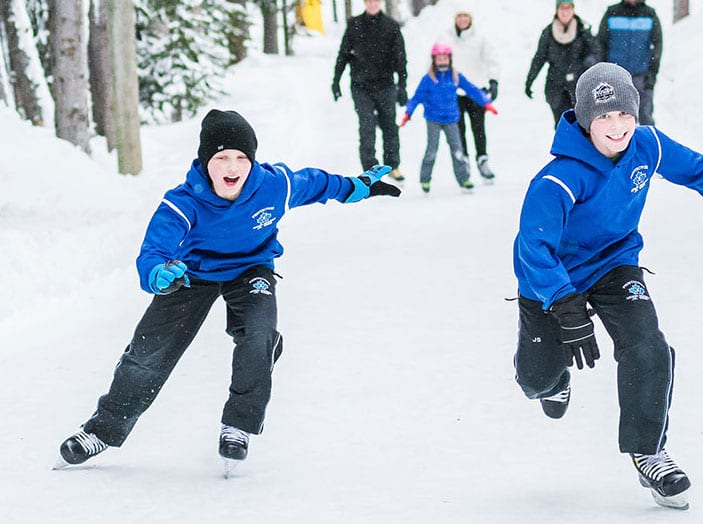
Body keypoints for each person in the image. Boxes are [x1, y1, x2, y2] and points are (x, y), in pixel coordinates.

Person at [56, 109, 401, 473]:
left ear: (252, 161)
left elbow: (316, 183)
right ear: (206, 163)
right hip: (190, 273)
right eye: (221, 158)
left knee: (259, 335)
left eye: (240, 157)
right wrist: (158, 273)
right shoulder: (183, 201)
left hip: (251, 268)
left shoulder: (275, 185)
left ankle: (238, 425)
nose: (231, 166)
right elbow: (154, 250)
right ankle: (102, 430)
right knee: (148, 352)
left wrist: (357, 187)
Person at [512, 63, 703, 510]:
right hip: (552, 278)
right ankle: (550, 381)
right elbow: (533, 248)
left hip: (616, 264)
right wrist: (563, 303)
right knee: (535, 379)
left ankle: (648, 449)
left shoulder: (647, 145)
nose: (616, 127)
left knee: (648, 346)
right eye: (603, 118)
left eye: (624, 116)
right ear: (584, 120)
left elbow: (700, 171)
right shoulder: (556, 178)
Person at [399, 42, 497, 194]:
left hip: (452, 119)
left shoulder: (455, 77)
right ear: (434, 60)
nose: (442, 61)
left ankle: (464, 179)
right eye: (439, 59)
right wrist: (408, 113)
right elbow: (417, 97)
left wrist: (486, 102)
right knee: (432, 150)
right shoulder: (428, 79)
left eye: (445, 58)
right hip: (433, 119)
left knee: (458, 151)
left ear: (450, 59)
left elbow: (472, 89)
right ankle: (425, 178)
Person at [332, 0, 408, 182]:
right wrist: (336, 81)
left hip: (386, 85)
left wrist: (402, 86)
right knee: (366, 126)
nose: (372, 4)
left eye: (375, 1)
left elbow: (400, 57)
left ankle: (393, 165)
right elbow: (343, 54)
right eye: (369, 1)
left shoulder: (391, 26)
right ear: (365, 3)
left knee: (389, 126)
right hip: (361, 86)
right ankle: (370, 168)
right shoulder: (354, 24)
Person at [443, 9, 500, 181]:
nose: (462, 20)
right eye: (459, 16)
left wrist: (493, 80)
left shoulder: (480, 39)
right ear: (455, 19)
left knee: (478, 128)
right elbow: (435, 60)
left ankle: (482, 159)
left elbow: (492, 60)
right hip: (454, 93)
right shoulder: (446, 38)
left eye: (465, 16)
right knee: (459, 130)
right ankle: (464, 161)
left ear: (470, 19)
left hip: (476, 90)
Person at [524, 0, 596, 127]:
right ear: (557, 10)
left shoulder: (582, 30)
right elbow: (539, 58)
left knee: (580, 124)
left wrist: (590, 61)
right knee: (561, 124)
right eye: (562, 8)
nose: (565, 12)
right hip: (555, 86)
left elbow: (595, 51)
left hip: (578, 86)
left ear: (573, 10)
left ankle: (578, 146)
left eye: (568, 8)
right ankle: (563, 145)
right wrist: (530, 80)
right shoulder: (548, 32)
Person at [595, 0, 662, 125]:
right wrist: (603, 72)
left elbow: (657, 46)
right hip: (615, 78)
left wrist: (652, 75)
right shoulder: (612, 12)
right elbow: (600, 44)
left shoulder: (649, 14)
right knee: (614, 121)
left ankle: (646, 145)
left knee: (646, 120)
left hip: (641, 78)